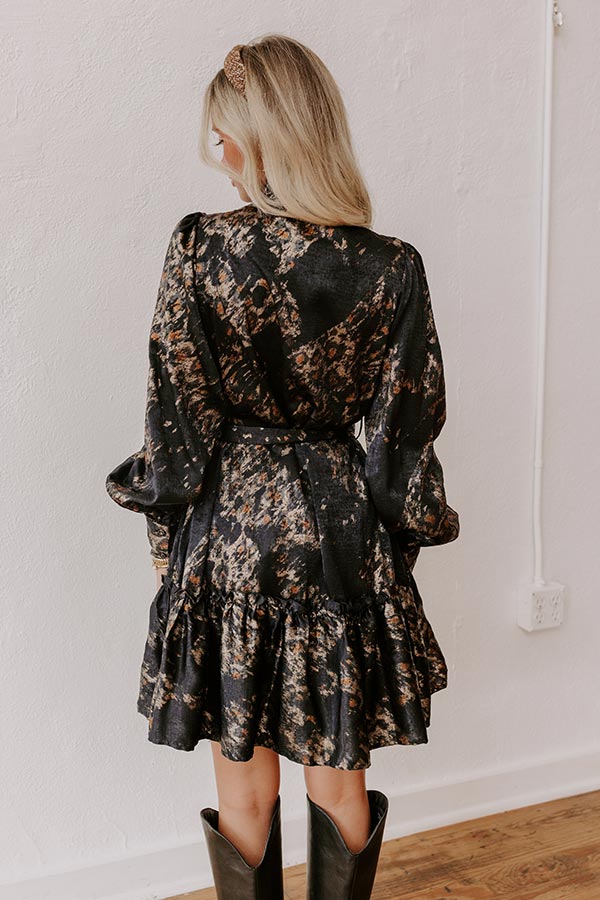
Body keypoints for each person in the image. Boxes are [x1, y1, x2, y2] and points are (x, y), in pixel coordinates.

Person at [105, 33, 460, 900]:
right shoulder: (392, 267)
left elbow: (176, 418)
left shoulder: (200, 249)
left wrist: (166, 538)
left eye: (223, 135)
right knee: (338, 781)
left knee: (244, 786)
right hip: (340, 539)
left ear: (260, 137)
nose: (218, 153)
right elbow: (404, 436)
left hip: (229, 537)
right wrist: (396, 551)